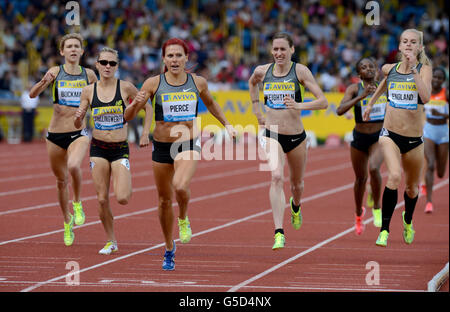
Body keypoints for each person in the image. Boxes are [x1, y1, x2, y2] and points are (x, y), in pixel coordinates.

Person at [124, 38, 237, 270]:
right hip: (162, 147)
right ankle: (168, 247)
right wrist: (135, 104)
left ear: (187, 58)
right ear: (163, 59)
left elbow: (212, 104)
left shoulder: (198, 82)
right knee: (164, 201)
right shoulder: (152, 83)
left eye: (179, 55)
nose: (174, 60)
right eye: (170, 56)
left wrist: (227, 124)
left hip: (188, 143)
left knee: (180, 185)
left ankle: (183, 217)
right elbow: (128, 116)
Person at [248, 32, 328, 250]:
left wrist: (299, 105)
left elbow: (323, 102)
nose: (278, 53)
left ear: (292, 50)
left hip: (296, 136)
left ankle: (296, 205)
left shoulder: (300, 71)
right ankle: (279, 232)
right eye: (275, 49)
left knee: (297, 185)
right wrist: (257, 110)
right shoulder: (262, 71)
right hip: (272, 132)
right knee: (275, 177)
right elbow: (252, 83)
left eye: (283, 49)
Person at [74, 47, 152, 254]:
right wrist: (78, 116)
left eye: (112, 63)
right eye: (104, 62)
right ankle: (111, 241)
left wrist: (145, 133)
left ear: (117, 66)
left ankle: (123, 174)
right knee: (101, 198)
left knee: (123, 197)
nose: (108, 66)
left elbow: (148, 106)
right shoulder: (88, 91)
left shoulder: (125, 87)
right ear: (97, 65)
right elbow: (77, 123)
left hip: (119, 149)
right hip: (98, 148)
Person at [363, 28, 432, 247]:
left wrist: (413, 71)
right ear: (400, 46)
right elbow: (384, 83)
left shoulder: (424, 69)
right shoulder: (389, 68)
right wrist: (371, 103)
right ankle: (384, 230)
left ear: (419, 47)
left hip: (413, 140)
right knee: (393, 176)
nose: (409, 45)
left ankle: (408, 220)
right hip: (389, 134)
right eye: (405, 41)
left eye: (413, 42)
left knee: (411, 189)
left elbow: (426, 97)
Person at [29, 33, 97, 246]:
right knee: (61, 181)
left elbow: (99, 102)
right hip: (55, 134)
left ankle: (77, 202)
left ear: (82, 51)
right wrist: (43, 82)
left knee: (74, 165)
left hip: (78, 132)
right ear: (62, 51)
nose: (73, 49)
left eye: (77, 46)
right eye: (69, 46)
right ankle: (67, 221)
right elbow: (32, 95)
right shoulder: (54, 72)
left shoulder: (89, 75)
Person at [337, 57, 386, 235]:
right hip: (359, 138)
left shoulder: (385, 86)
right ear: (359, 73)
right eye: (363, 67)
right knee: (360, 179)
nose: (368, 69)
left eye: (371, 66)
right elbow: (339, 110)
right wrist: (361, 96)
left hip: (379, 137)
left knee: (374, 168)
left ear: (377, 70)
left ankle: (378, 207)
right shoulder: (353, 89)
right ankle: (359, 213)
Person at [423, 67, 449, 213]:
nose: (436, 80)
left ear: (443, 81)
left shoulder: (446, 93)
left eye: (440, 78)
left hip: (443, 132)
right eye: (435, 77)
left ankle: (431, 182)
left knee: (440, 172)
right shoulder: (425, 92)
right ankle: (429, 202)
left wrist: (441, 113)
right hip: (429, 131)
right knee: (430, 164)